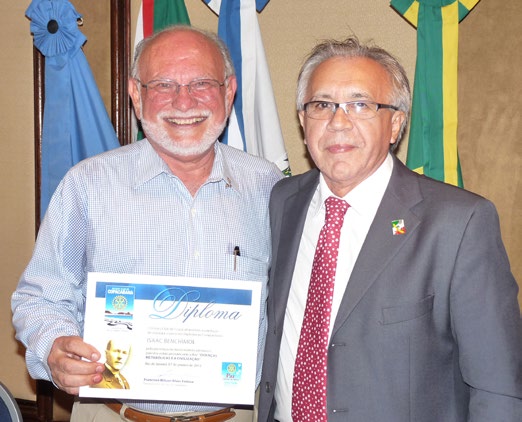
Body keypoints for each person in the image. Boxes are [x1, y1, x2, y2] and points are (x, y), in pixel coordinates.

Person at [12, 25, 283, 422]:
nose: (183, 101)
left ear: (229, 91)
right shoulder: (88, 184)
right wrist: (54, 346)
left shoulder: (271, 187)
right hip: (111, 413)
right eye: (164, 85)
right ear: (137, 95)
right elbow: (38, 298)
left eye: (201, 83)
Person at [258, 36, 522, 421]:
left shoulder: (458, 223)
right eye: (322, 105)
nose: (337, 122)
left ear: (395, 123)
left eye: (360, 105)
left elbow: (498, 389)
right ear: (302, 119)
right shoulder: (283, 201)